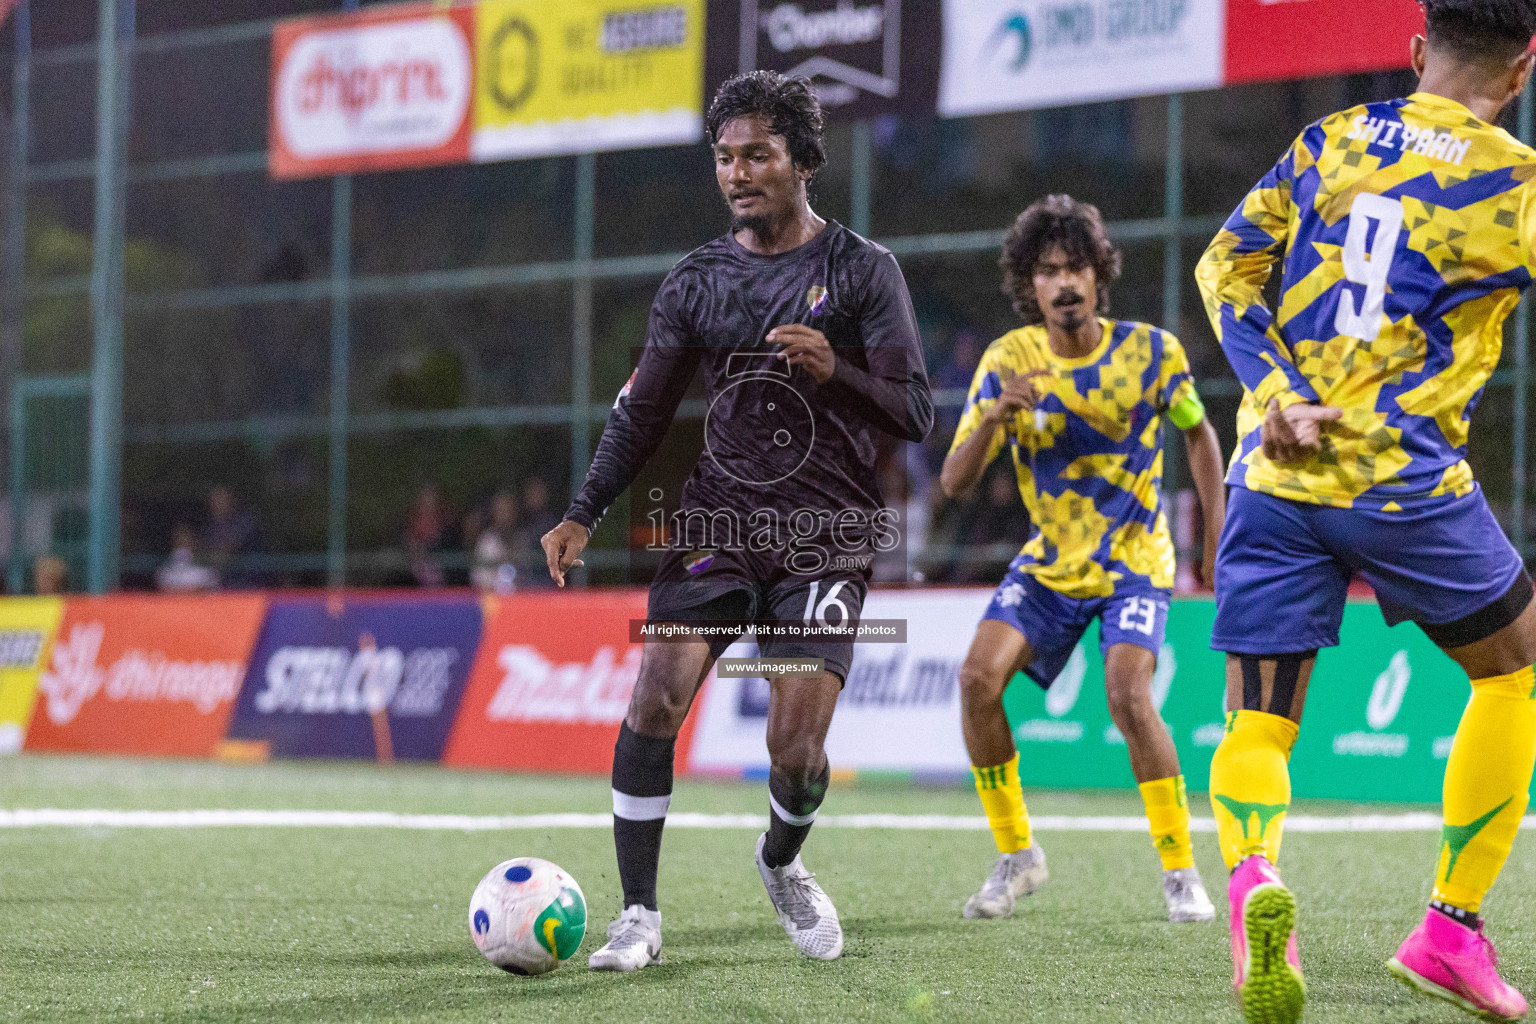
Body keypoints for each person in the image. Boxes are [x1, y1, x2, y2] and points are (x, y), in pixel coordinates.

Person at [542, 71, 932, 970]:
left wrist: (838, 370)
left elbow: (916, 412)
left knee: (795, 748)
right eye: (724, 157)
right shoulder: (697, 284)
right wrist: (582, 511)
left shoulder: (864, 272)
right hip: (721, 530)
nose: (737, 172)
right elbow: (642, 411)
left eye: (757, 154)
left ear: (802, 160)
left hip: (825, 540)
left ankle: (780, 861)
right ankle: (637, 914)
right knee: (656, 693)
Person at [1195, 2, 1536, 1020]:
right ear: (1522, 70)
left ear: (1420, 50)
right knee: (1516, 674)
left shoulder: (1326, 141)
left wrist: (1273, 392)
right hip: (1406, 489)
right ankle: (1449, 930)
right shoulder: (1515, 183)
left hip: (1277, 474)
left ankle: (1256, 883)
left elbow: (1225, 268)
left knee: (1258, 718)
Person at [940, 195, 1227, 926]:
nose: (1063, 283)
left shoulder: (1152, 354)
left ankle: (1180, 872)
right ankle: (1017, 857)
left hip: (1134, 558)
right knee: (976, 680)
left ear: (1101, 275)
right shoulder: (1010, 362)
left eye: (1076, 268)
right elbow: (954, 481)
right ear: (1028, 285)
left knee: (1129, 694)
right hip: (1049, 564)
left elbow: (1200, 436)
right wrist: (998, 416)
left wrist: (1213, 542)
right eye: (1047, 272)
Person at [200, 486, 261, 588]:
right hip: (222, 585)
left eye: (221, 498)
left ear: (232, 500)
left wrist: (211, 557)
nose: (217, 503)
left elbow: (225, 554)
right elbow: (198, 553)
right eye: (214, 499)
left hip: (249, 583)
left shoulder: (246, 521)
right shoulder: (210, 526)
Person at [402, 484, 453, 588]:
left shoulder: (445, 519)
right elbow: (409, 540)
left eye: (431, 496)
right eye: (426, 497)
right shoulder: (414, 519)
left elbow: (448, 540)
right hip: (417, 560)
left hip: (439, 560)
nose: (429, 500)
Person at [470, 490, 520, 593]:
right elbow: (481, 581)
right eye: (501, 511)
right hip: (494, 599)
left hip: (523, 599)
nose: (505, 515)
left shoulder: (522, 538)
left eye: (508, 510)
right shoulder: (487, 541)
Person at [157, 523, 218, 593]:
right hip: (173, 602)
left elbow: (210, 587)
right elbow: (163, 587)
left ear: (194, 541)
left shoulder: (205, 565)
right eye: (178, 539)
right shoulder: (165, 567)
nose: (182, 541)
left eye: (186, 538)